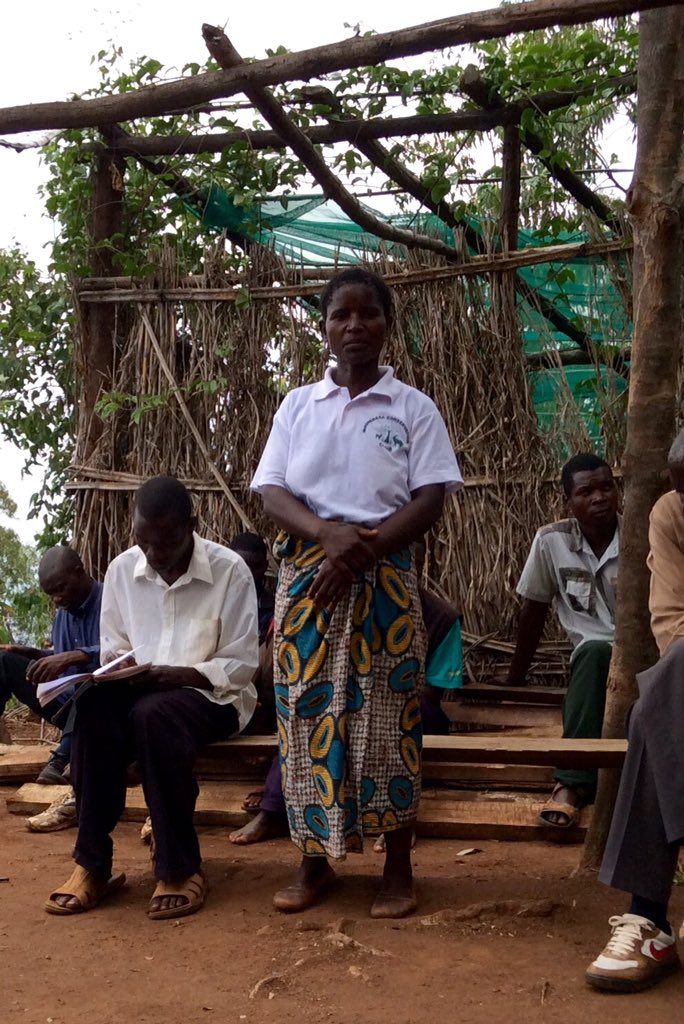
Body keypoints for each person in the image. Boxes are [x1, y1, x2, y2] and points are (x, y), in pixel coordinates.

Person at [251, 267, 462, 918]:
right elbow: (271, 489)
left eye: (367, 314)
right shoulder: (297, 406)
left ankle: (397, 866)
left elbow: (430, 496)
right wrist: (326, 537)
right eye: (340, 315)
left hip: (385, 581)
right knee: (305, 720)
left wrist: (363, 549)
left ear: (386, 325)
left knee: (389, 719)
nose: (354, 326)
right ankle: (314, 862)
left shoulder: (412, 408)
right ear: (325, 326)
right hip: (309, 581)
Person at [44, 476, 259, 920]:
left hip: (213, 697)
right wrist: (122, 669)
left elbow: (240, 666)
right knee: (93, 707)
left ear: (191, 526)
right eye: (145, 543)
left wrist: (179, 674)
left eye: (166, 543)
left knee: (154, 714)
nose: (154, 555)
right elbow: (113, 647)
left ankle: (180, 868)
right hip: (142, 697)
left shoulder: (229, 570)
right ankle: (92, 865)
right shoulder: (124, 570)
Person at [586, 430, 684, 992]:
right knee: (656, 707)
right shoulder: (671, 512)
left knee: (656, 710)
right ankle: (649, 921)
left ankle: (650, 913)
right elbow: (672, 622)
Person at [504, 453, 618, 828]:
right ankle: (571, 782)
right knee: (595, 652)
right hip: (593, 654)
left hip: (645, 651)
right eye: (586, 491)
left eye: (606, 487)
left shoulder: (641, 532)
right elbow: (533, 611)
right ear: (568, 501)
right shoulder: (551, 541)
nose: (599, 497)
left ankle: (577, 783)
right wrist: (515, 678)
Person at [0, 545, 102, 786]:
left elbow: (124, 653)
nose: (57, 599)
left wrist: (74, 657)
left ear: (79, 571)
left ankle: (61, 760)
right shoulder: (64, 613)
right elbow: (61, 657)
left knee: (91, 682)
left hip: (105, 709)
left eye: (60, 589)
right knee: (5, 661)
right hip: (65, 704)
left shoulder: (112, 602)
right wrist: (36, 654)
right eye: (51, 594)